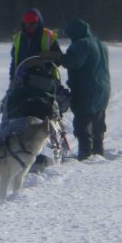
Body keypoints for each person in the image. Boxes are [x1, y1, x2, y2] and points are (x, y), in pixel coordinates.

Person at [42, 18, 111, 160]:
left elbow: (74, 62)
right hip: (103, 89)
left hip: (86, 90)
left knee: (82, 125)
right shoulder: (100, 43)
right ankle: (98, 153)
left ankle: (85, 155)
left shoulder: (81, 44)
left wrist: (58, 57)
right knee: (98, 123)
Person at [9, 8, 61, 81]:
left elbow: (59, 59)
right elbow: (14, 63)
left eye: (32, 24)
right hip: (22, 82)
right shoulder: (18, 38)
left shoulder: (48, 36)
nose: (28, 27)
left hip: (45, 81)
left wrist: (41, 63)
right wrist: (12, 80)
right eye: (25, 24)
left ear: (38, 23)